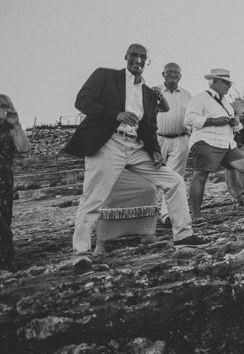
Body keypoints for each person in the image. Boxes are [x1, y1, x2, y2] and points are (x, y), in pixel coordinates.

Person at [66, 45, 208, 272]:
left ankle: (183, 235)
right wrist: (116, 115)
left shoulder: (148, 93)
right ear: (126, 57)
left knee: (174, 181)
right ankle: (81, 255)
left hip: (135, 146)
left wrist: (154, 151)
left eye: (143, 57)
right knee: (93, 198)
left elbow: (149, 127)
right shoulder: (105, 75)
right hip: (109, 143)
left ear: (147, 62)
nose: (138, 60)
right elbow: (82, 101)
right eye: (134, 55)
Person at [184, 68, 244, 221]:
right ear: (213, 82)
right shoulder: (200, 98)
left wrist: (237, 122)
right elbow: (189, 119)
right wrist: (212, 121)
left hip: (227, 144)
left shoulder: (226, 103)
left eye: (229, 83)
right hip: (206, 141)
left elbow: (236, 127)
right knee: (201, 174)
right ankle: (196, 216)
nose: (228, 86)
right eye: (225, 83)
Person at [152, 62, 192, 228]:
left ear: (180, 76)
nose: (173, 75)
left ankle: (167, 214)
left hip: (180, 140)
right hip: (158, 139)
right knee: (153, 177)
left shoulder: (187, 94)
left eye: (176, 72)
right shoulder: (154, 91)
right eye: (169, 72)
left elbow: (191, 116)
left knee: (174, 178)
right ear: (163, 74)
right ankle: (150, 213)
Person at [94, 170, 158, 255]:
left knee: (149, 189)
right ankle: (100, 244)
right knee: (107, 195)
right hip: (108, 165)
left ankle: (147, 233)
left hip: (135, 164)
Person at [0, 94, 30, 271]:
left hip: (3, 181)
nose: (2, 108)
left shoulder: (10, 128)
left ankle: (5, 263)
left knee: (3, 221)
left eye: (4, 105)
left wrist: (17, 125)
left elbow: (24, 148)